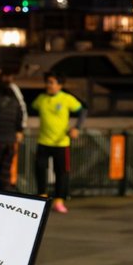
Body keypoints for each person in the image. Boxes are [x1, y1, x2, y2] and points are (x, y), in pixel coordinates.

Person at [32, 71, 86, 213]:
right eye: (47, 82)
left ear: (60, 85)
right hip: (43, 141)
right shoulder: (41, 99)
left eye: (52, 82)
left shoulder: (66, 98)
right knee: (40, 170)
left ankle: (59, 200)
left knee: (61, 172)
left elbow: (82, 111)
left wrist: (77, 128)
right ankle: (42, 198)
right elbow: (31, 108)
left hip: (61, 143)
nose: (48, 85)